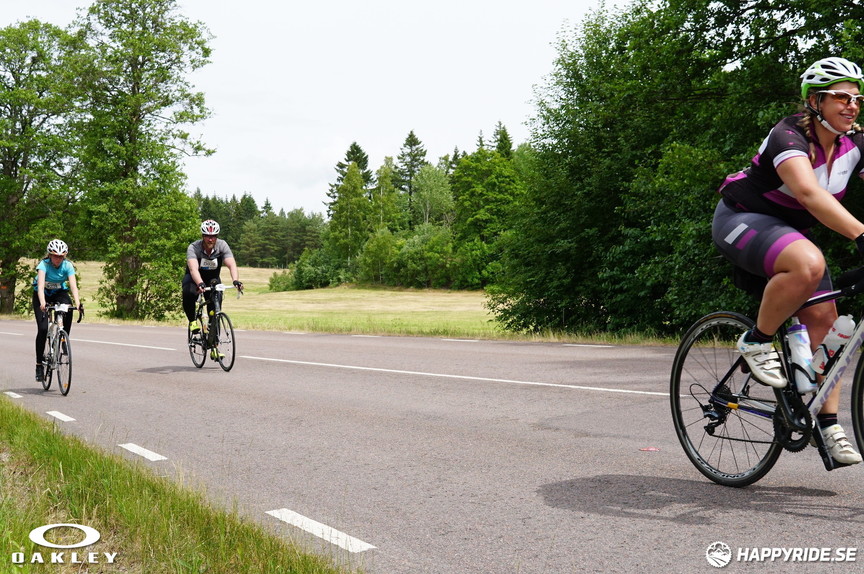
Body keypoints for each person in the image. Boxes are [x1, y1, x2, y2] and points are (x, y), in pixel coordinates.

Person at [712, 56, 864, 465]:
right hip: (742, 218)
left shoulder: (855, 145)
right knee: (809, 263)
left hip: (793, 236)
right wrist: (862, 235)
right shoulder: (790, 135)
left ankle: (826, 422)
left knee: (831, 328)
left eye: (857, 99)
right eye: (841, 98)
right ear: (815, 101)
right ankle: (757, 340)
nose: (851, 106)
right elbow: (811, 195)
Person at [182, 220, 243, 357]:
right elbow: (193, 269)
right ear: (203, 236)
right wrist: (200, 283)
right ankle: (192, 321)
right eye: (207, 236)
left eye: (214, 236)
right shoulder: (194, 247)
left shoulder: (222, 246)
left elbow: (231, 264)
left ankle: (214, 347)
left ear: (217, 236)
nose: (211, 239)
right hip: (194, 277)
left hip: (213, 279)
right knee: (188, 292)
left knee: (215, 310)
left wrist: (236, 280)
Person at [33, 239, 82, 383]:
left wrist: (78, 303)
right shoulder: (43, 265)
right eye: (55, 256)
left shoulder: (67, 266)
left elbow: (73, 286)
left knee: (69, 308)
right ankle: (38, 365)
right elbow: (40, 286)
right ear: (50, 255)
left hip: (59, 293)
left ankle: (63, 338)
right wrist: (43, 303)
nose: (58, 259)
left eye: (61, 256)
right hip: (42, 295)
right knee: (42, 329)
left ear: (64, 256)